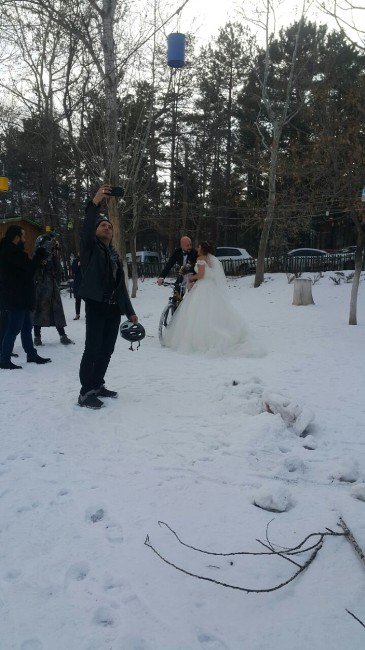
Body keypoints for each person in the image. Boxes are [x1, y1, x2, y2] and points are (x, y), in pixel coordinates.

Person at [78, 184, 138, 409]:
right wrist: (95, 201)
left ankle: (97, 384)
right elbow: (86, 227)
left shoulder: (114, 255)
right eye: (103, 225)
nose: (107, 228)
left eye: (109, 227)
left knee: (107, 350)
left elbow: (120, 287)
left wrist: (130, 311)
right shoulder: (90, 248)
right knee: (92, 349)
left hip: (113, 309)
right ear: (95, 232)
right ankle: (85, 393)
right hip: (96, 305)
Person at [163, 240, 247, 355]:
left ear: (202, 249)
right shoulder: (210, 259)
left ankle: (200, 338)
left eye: (198, 247)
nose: (197, 248)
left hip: (202, 286)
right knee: (212, 310)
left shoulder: (201, 259)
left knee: (197, 311)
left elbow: (201, 275)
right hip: (211, 286)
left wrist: (191, 278)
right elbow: (209, 273)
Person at [0, 225, 51, 369]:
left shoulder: (12, 251)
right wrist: (40, 253)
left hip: (20, 296)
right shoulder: (11, 252)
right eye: (23, 236)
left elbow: (27, 268)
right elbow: (29, 269)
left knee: (26, 327)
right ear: (16, 237)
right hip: (16, 297)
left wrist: (38, 258)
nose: (25, 239)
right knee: (13, 329)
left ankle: (31, 354)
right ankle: (4, 359)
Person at [33, 235, 74, 345]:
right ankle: (37, 337)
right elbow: (35, 270)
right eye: (49, 244)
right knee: (39, 311)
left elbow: (58, 270)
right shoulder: (37, 256)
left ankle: (63, 335)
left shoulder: (52, 256)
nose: (51, 246)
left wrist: (55, 255)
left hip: (52, 287)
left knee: (57, 311)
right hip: (41, 288)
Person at [71, 254, 82, 319]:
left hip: (85, 283)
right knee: (77, 300)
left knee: (87, 299)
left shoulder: (86, 259)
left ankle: (88, 313)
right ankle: (77, 314)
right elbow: (74, 271)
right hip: (77, 283)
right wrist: (78, 265)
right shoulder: (75, 261)